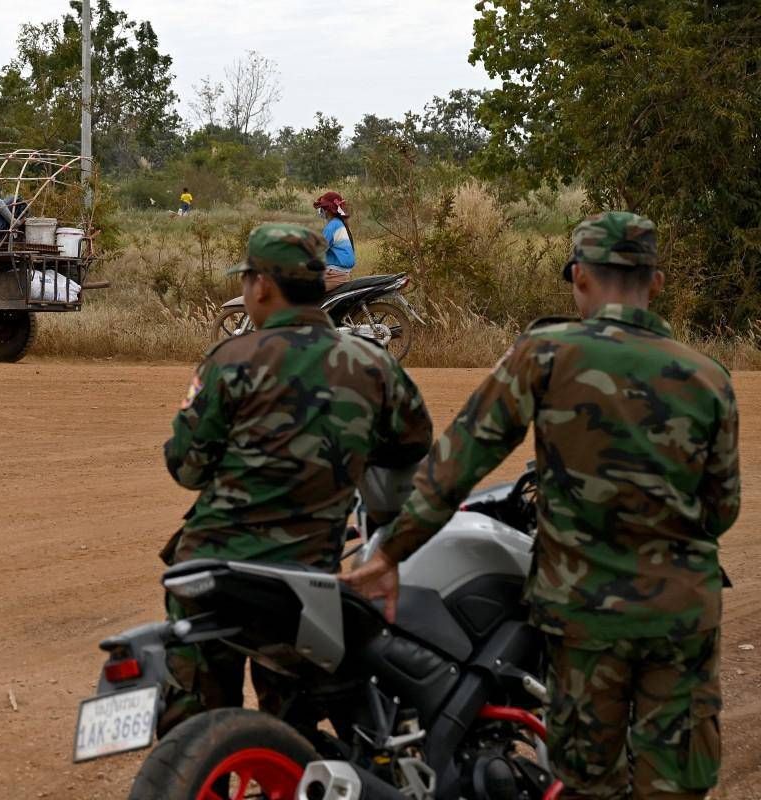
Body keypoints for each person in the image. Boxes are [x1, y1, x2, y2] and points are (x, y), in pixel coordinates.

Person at [341, 212, 740, 800]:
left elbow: (457, 464)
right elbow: (721, 508)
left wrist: (388, 554)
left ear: (579, 277)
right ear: (655, 283)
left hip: (585, 615)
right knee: (676, 786)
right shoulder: (709, 377)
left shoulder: (546, 354)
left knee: (589, 782)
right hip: (682, 615)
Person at [160, 222, 434, 734]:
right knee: (294, 729)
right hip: (304, 579)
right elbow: (410, 447)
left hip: (211, 570)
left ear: (263, 286)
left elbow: (186, 468)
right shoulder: (372, 364)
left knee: (192, 726)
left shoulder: (229, 360)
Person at [313, 191, 355, 291]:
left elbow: (319, 250)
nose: (320, 211)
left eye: (322, 208)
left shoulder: (332, 226)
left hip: (334, 274)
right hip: (342, 273)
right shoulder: (340, 223)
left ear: (327, 210)